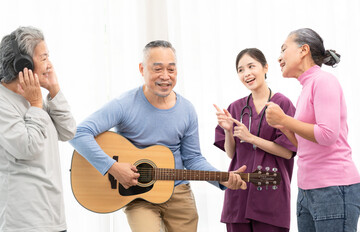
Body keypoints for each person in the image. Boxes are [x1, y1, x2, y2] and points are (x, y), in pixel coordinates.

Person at [69, 40, 247, 232]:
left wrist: (222, 178)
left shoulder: (186, 110)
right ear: (142, 69)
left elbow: (193, 158)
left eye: (171, 69)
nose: (165, 76)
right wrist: (113, 167)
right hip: (138, 196)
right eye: (157, 69)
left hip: (179, 192)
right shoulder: (124, 104)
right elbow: (78, 133)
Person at [266, 28, 360, 232]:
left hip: (333, 189)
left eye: (283, 49)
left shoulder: (323, 81)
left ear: (303, 50)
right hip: (307, 190)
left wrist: (285, 120)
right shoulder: (306, 88)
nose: (279, 57)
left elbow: (327, 135)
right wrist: (284, 125)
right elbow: (305, 145)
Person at [0, 26, 76, 232]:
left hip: (53, 218)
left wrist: (53, 90)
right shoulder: (4, 102)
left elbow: (68, 131)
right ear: (22, 64)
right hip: (25, 223)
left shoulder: (34, 97)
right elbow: (27, 148)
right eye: (43, 58)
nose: (49, 64)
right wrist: (35, 105)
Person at [213, 48, 297, 232]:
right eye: (241, 70)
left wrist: (251, 138)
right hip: (238, 194)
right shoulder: (235, 107)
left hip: (271, 194)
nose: (246, 73)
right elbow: (231, 154)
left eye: (251, 66)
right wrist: (228, 131)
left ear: (265, 67)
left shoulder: (282, 104)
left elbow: (288, 151)